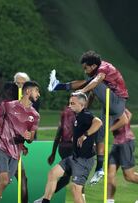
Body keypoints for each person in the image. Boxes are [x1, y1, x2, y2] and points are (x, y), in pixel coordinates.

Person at [48, 50, 129, 184]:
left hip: (117, 101)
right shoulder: (97, 77)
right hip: (109, 107)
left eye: (86, 68)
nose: (85, 70)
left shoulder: (103, 69)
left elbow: (96, 82)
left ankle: (57, 86)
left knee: (91, 82)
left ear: (93, 66)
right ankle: (99, 169)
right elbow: (92, 93)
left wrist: (82, 91)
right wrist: (85, 108)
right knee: (99, 137)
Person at [35, 92, 102, 203]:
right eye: (69, 103)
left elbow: (98, 122)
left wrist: (85, 135)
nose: (69, 105)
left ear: (81, 105)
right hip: (73, 158)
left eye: (72, 103)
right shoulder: (77, 115)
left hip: (83, 161)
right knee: (53, 173)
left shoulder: (86, 115)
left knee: (75, 189)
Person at [0, 81, 40, 203]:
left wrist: (28, 137)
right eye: (37, 90)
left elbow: (31, 139)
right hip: (1, 147)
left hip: (16, 153)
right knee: (0, 180)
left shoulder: (35, 115)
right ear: (28, 91)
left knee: (3, 184)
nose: (39, 94)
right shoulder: (8, 106)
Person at [107, 109, 138, 203]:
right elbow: (129, 114)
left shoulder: (115, 104)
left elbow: (125, 119)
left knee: (129, 176)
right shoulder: (112, 103)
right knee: (110, 175)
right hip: (117, 143)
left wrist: (110, 129)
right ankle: (109, 201)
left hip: (126, 142)